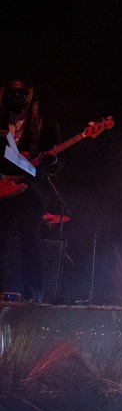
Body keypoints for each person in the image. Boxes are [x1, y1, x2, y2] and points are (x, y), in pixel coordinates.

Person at [0, 77, 62, 302]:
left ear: (30, 96)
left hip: (30, 192)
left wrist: (52, 160)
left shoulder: (45, 125)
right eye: (11, 93)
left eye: (21, 93)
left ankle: (34, 297)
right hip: (2, 190)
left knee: (30, 242)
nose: (16, 97)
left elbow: (58, 163)